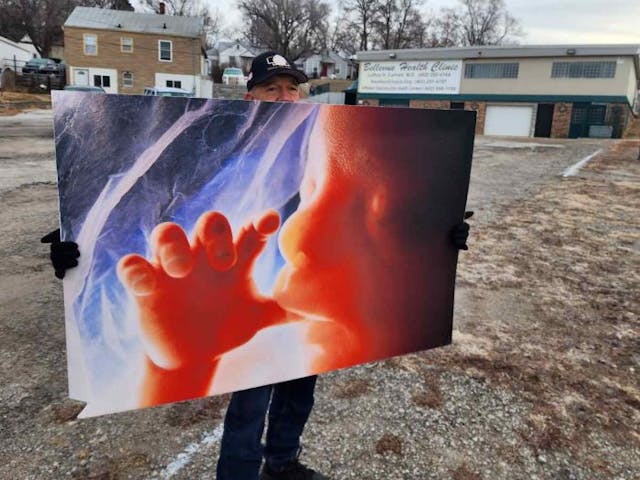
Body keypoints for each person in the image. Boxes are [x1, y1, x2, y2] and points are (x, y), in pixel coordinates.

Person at [43, 51, 473, 480]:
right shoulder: (231, 159)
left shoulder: (309, 142)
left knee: (301, 386)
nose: (285, 97)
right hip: (248, 307)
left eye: (293, 88)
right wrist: (75, 247)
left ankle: (283, 460)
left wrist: (438, 236)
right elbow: (134, 215)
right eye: (272, 88)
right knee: (251, 397)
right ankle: (238, 473)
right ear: (250, 97)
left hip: (302, 308)